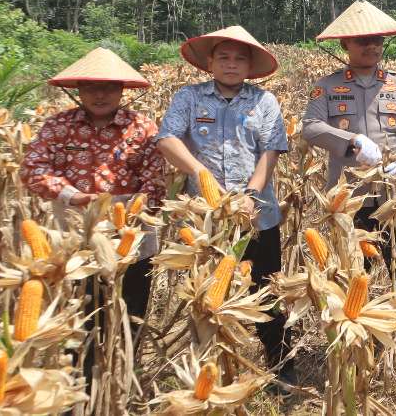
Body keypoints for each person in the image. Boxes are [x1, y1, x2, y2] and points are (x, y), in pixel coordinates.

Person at [156, 26, 294, 382]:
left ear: (249, 65)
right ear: (210, 63)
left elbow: (271, 151)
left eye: (239, 59)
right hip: (206, 220)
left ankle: (281, 367)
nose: (231, 64)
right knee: (208, 295)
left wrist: (250, 195)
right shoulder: (189, 97)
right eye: (224, 57)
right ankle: (211, 373)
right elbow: (167, 139)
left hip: (257, 216)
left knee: (266, 292)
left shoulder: (264, 101)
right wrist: (200, 173)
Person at [22, 48, 166, 345]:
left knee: (130, 313)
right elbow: (33, 170)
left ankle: (126, 367)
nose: (100, 95)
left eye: (109, 88)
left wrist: (132, 211)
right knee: (82, 315)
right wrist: (73, 196)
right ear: (78, 89)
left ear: (122, 90)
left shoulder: (142, 128)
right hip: (76, 234)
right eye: (91, 87)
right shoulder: (58, 126)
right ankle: (83, 369)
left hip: (131, 235)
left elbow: (155, 179)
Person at [300, 0, 396, 276]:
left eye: (377, 40)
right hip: (350, 196)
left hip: (394, 193)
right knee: (352, 274)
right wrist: (352, 140)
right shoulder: (328, 86)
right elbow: (310, 127)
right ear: (345, 44)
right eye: (363, 41)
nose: (372, 46)